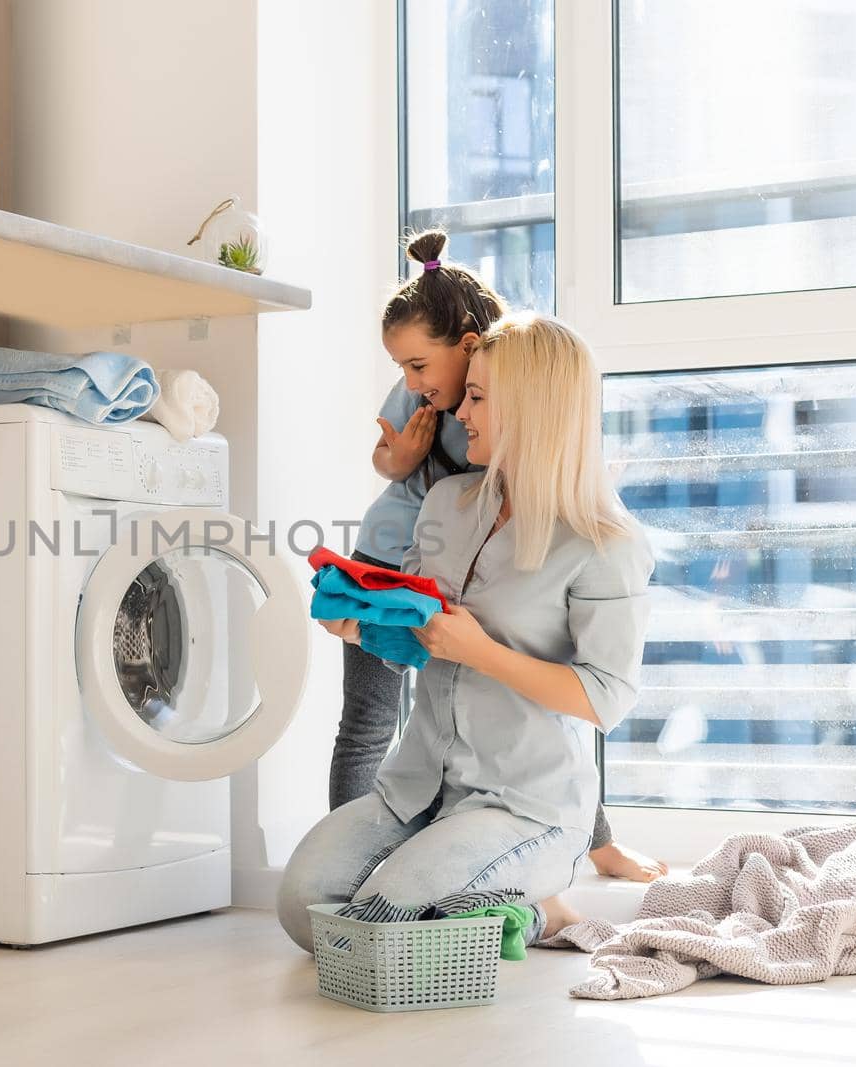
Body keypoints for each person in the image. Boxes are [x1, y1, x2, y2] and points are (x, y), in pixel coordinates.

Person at [280, 312, 656, 952]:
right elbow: (421, 641)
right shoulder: (445, 503)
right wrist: (358, 625)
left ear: (533, 412)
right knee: (301, 910)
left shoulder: (604, 543)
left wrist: (483, 652)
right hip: (421, 787)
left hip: (525, 805)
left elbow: (606, 697)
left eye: (478, 398)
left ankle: (540, 913)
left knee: (380, 926)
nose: (461, 414)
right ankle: (503, 900)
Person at [336, 230, 665, 882]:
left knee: (527, 695)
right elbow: (386, 460)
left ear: (467, 350)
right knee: (369, 720)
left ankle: (583, 846)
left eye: (419, 366)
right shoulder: (427, 407)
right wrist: (397, 460)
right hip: (385, 562)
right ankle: (360, 860)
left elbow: (590, 692)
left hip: (465, 582)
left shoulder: (500, 424)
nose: (411, 382)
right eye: (402, 368)